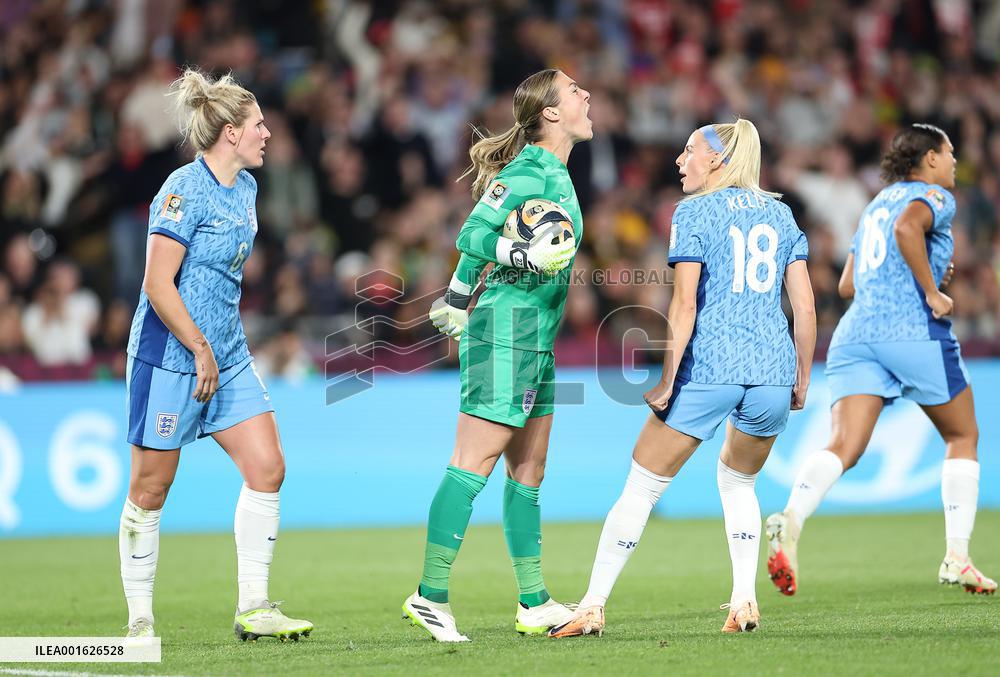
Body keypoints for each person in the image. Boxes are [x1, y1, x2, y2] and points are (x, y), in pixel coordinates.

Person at [550, 119, 816, 638]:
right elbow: (804, 306)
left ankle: (592, 605)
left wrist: (670, 377)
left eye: (689, 150)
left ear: (717, 160)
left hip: (711, 367)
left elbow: (685, 301)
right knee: (739, 481)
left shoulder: (693, 211)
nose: (679, 159)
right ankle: (743, 601)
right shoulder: (781, 215)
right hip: (771, 372)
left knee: (641, 487)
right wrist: (801, 377)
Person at [120, 69, 313, 642]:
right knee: (151, 489)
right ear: (230, 132)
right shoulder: (182, 190)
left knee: (268, 468)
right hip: (170, 358)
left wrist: (218, 343)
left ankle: (254, 607)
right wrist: (198, 346)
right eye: (258, 125)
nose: (267, 133)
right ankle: (139, 623)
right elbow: (157, 282)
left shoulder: (248, 189)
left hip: (226, 355)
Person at [765, 124, 996, 597]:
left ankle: (792, 518)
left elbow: (849, 283)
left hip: (855, 334)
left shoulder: (875, 203)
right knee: (962, 434)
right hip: (910, 331)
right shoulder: (934, 197)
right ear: (929, 159)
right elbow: (909, 227)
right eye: (949, 152)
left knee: (844, 445)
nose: (955, 162)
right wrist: (931, 289)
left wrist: (923, 266)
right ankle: (957, 556)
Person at [402, 68, 591, 642]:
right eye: (575, 91)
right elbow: (473, 234)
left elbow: (481, 248)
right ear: (552, 114)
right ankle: (430, 594)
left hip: (537, 337)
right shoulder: (529, 169)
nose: (586, 95)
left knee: (529, 469)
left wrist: (458, 294)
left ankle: (533, 601)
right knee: (472, 463)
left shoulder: (554, 171)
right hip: (505, 333)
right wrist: (519, 261)